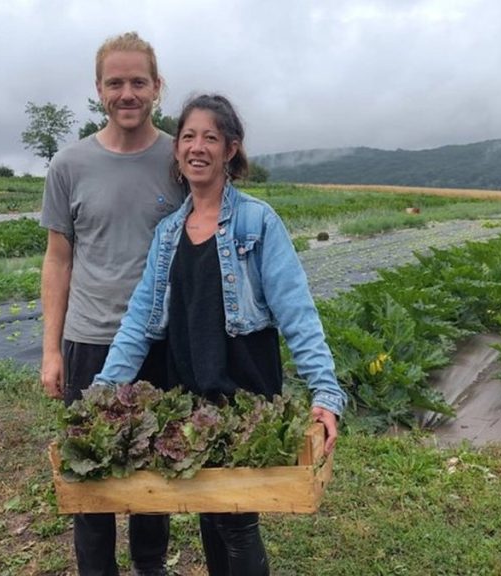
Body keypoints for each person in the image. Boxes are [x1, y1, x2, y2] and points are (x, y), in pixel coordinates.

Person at [94, 93, 347, 575]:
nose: (197, 147)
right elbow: (140, 319)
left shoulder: (257, 221)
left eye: (210, 137)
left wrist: (325, 392)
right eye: (188, 136)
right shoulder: (168, 233)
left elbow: (297, 311)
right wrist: (104, 391)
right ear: (176, 150)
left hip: (244, 391)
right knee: (214, 510)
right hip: (190, 391)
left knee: (237, 519)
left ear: (230, 148)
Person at [39, 31, 185, 576]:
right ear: (99, 89)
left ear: (157, 87)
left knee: (154, 464)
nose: (128, 93)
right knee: (91, 470)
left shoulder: (179, 158)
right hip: (89, 342)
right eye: (116, 82)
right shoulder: (69, 164)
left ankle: (151, 565)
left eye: (138, 82)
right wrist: (51, 350)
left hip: (158, 341)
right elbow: (58, 261)